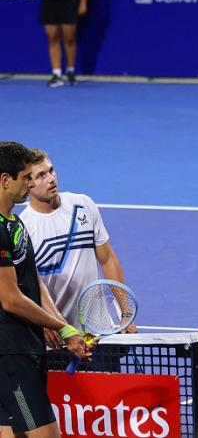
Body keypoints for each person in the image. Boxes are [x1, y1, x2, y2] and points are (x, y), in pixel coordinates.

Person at [0, 141, 89, 438]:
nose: (31, 184)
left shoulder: (15, 223)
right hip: (10, 357)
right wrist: (62, 327)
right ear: (5, 180)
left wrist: (64, 328)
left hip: (25, 349)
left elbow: (34, 282)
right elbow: (11, 299)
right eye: (26, 177)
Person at [19, 149, 137, 351]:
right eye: (41, 175)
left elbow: (107, 259)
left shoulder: (82, 205)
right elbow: (25, 287)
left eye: (51, 171)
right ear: (27, 185)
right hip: (58, 339)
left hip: (98, 333)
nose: (51, 179)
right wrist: (43, 322)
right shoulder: (23, 228)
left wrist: (125, 313)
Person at [33, 0, 89, 87]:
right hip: (49, 3)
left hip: (69, 3)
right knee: (52, 37)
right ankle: (56, 74)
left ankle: (70, 71)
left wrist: (83, 3)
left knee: (69, 37)